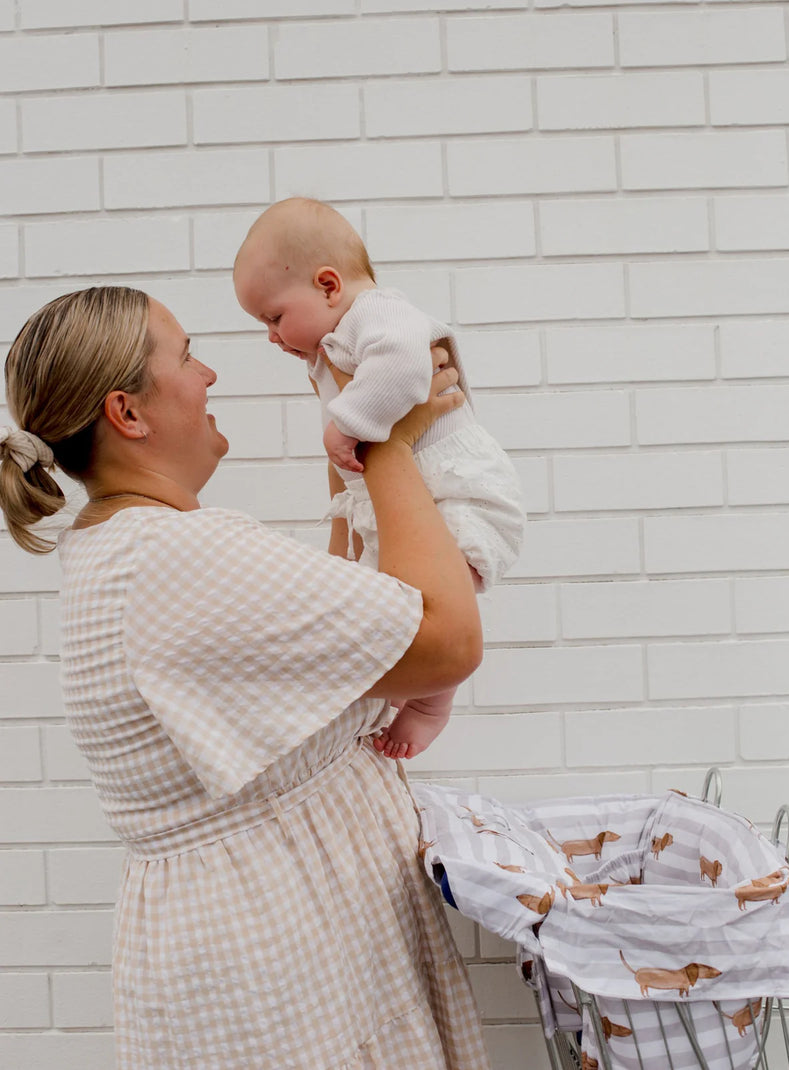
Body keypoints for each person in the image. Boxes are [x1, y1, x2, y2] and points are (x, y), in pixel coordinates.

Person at [0, 286, 491, 1070]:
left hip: (259, 939)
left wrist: (352, 453)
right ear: (127, 412)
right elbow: (446, 639)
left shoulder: (130, 549)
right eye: (188, 355)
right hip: (281, 950)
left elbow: (338, 647)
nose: (211, 375)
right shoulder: (173, 556)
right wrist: (392, 438)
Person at [234, 197, 525, 759]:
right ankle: (409, 695)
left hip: (460, 486)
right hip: (421, 487)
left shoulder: (379, 314)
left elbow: (406, 364)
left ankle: (431, 703)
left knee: (436, 601)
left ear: (327, 286)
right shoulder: (336, 342)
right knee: (390, 604)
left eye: (274, 317)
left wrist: (347, 422)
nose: (271, 336)